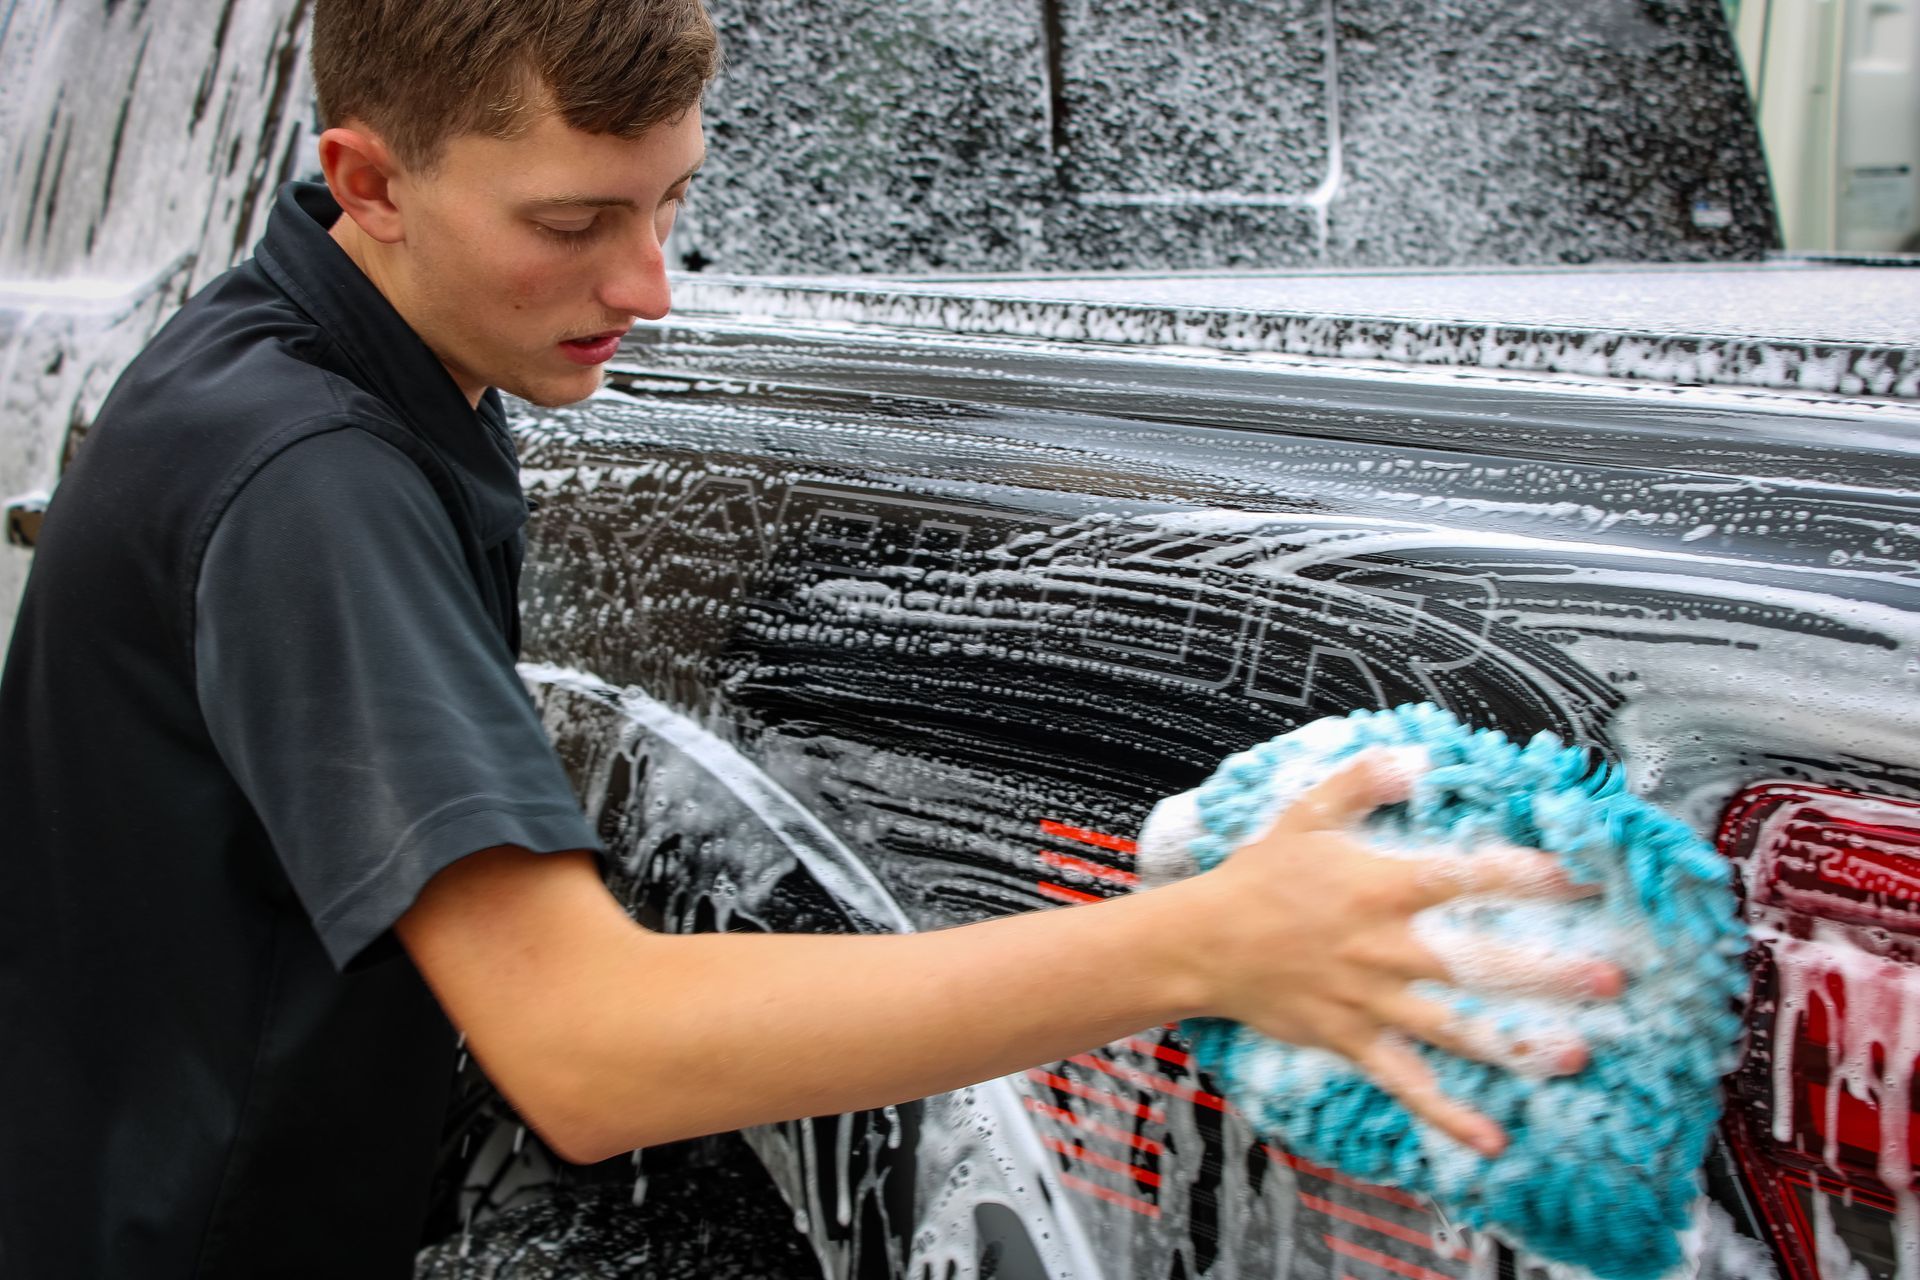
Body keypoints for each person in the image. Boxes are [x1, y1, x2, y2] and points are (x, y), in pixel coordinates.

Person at [0, 1, 1620, 1275]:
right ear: (368, 182)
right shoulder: (310, 478)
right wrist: (1204, 944)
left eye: (673, 201)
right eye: (574, 223)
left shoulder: (313, 365)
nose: (651, 284)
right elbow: (587, 1048)